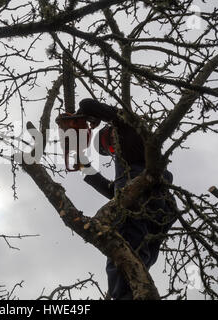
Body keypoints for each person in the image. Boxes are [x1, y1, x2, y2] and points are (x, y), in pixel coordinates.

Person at [74, 98, 177, 300]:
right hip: (160, 206)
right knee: (140, 256)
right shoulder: (133, 164)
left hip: (143, 204)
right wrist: (83, 167)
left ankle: (124, 295)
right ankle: (134, 293)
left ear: (111, 130)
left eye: (109, 142)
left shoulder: (129, 127)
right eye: (109, 149)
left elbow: (87, 103)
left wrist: (86, 116)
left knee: (125, 248)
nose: (113, 148)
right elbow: (117, 192)